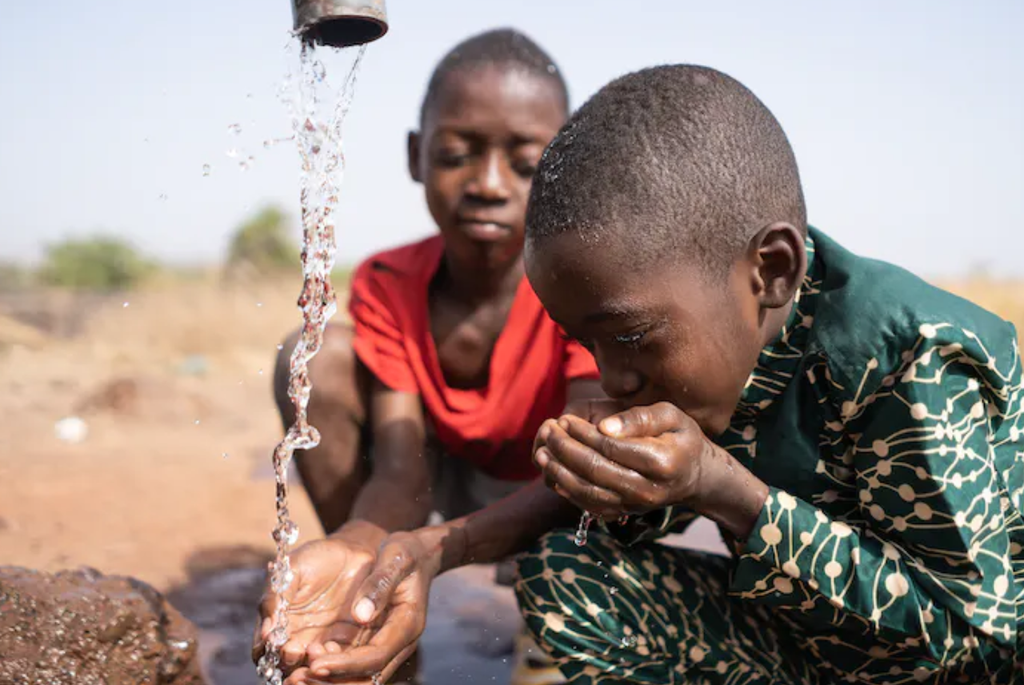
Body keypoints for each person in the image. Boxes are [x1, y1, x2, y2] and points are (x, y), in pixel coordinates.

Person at [259, 64, 1024, 685]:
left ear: (771, 269)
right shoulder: (712, 345)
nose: (614, 378)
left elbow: (971, 644)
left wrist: (726, 492)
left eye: (631, 338)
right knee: (569, 579)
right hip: (824, 646)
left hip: (964, 659)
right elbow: (590, 522)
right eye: (589, 346)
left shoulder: (910, 358)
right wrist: (429, 554)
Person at [262, 28, 602, 684]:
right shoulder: (390, 282)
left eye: (526, 165)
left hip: (548, 492)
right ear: (417, 155)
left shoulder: (585, 286)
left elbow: (583, 474)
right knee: (313, 355)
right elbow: (399, 466)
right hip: (438, 478)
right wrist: (364, 546)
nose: (489, 185)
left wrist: (440, 549)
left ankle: (556, 631)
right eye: (456, 154)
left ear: (565, 175)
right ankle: (378, 611)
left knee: (605, 470)